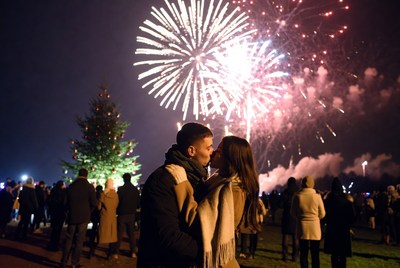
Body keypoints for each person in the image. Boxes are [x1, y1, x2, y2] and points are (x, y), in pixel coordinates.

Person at [167, 135, 261, 267]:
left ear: (229, 158)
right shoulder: (219, 182)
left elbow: (198, 221)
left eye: (219, 151)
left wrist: (182, 184)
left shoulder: (232, 190)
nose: (213, 153)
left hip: (217, 261)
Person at [137, 122, 214, 268]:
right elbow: (168, 236)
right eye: (208, 147)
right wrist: (205, 250)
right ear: (191, 151)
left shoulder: (196, 178)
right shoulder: (164, 179)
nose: (212, 151)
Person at [60, 168, 98, 268]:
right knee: (79, 241)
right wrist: (88, 211)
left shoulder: (71, 186)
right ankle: (74, 263)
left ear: (79, 174)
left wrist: (69, 211)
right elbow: (94, 203)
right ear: (87, 175)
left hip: (72, 216)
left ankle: (64, 262)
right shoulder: (89, 187)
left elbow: (65, 203)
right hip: (84, 217)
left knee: (69, 239)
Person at [291, 176, 326, 268]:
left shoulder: (297, 196)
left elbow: (292, 213)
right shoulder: (317, 196)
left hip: (302, 227)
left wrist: (300, 218)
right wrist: (315, 218)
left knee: (303, 253)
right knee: (315, 254)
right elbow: (322, 214)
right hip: (315, 228)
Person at [323, 177, 356, 268]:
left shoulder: (328, 200)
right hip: (343, 230)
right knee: (342, 254)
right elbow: (352, 216)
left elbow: (325, 215)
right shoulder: (347, 200)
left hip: (332, 229)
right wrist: (348, 226)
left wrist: (327, 223)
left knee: (334, 254)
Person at [110, 173, 141, 258]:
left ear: (124, 179)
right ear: (130, 179)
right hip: (131, 214)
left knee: (119, 234)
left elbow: (117, 202)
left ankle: (116, 252)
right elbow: (138, 203)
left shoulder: (120, 189)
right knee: (131, 234)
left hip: (121, 214)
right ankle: (133, 252)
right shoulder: (135, 190)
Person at [97, 178, 119, 259]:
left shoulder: (103, 194)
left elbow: (99, 207)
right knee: (112, 235)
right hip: (112, 217)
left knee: (102, 234)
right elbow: (116, 205)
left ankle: (92, 251)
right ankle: (110, 253)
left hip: (104, 216)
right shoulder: (116, 195)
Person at [281, 177, 299, 262]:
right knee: (295, 238)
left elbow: (280, 204)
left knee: (286, 237)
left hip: (286, 217)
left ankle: (285, 255)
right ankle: (294, 256)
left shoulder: (285, 192)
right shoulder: (298, 192)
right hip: (295, 217)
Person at [47, 180, 67, 251]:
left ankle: (52, 243)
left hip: (54, 212)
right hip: (60, 212)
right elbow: (64, 202)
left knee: (54, 229)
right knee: (58, 230)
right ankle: (55, 245)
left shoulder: (53, 191)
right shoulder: (63, 192)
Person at [88, 185, 103, 258]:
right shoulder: (102, 195)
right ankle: (97, 238)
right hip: (99, 213)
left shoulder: (94, 195)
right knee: (99, 226)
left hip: (94, 213)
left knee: (94, 226)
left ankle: (92, 238)